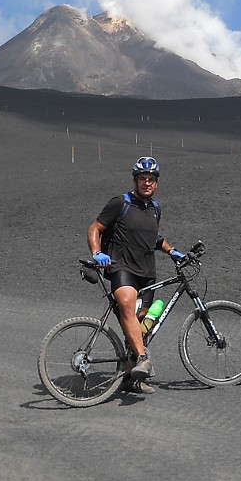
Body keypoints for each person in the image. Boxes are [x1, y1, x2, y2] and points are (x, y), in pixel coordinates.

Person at [87, 156, 185, 394]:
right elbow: (94, 228)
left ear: (156, 183)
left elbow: (152, 238)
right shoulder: (121, 203)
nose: (147, 183)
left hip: (147, 273)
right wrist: (97, 252)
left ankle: (131, 377)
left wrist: (172, 251)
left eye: (151, 179)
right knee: (127, 303)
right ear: (135, 181)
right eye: (142, 179)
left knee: (141, 326)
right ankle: (143, 359)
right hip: (122, 268)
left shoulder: (155, 208)